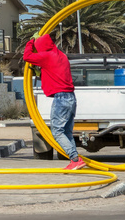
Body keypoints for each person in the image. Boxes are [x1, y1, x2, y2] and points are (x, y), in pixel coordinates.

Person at [24, 34, 85, 170]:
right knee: (67, 132)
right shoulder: (61, 55)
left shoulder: (46, 56)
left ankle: (75, 159)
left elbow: (27, 56)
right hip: (70, 97)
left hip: (61, 98)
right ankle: (74, 161)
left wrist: (31, 42)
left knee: (57, 131)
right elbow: (54, 72)